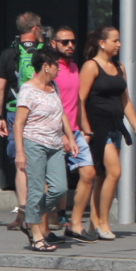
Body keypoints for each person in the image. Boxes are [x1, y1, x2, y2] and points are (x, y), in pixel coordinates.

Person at [78, 26, 136, 240]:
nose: (119, 44)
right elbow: (80, 99)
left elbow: (124, 100)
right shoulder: (91, 66)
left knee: (102, 175)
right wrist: (85, 126)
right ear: (102, 43)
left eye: (119, 40)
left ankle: (94, 222)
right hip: (98, 126)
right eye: (115, 40)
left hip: (115, 126)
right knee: (114, 172)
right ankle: (103, 222)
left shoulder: (119, 67)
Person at [12, 48, 77, 252]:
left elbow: (62, 114)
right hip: (34, 143)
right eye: (56, 65)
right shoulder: (28, 90)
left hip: (55, 144)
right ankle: (37, 235)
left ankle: (29, 219)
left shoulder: (54, 86)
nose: (59, 68)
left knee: (60, 188)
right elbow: (18, 123)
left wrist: (70, 137)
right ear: (45, 67)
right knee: (37, 189)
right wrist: (20, 152)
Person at [0, 11, 45, 233]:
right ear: (35, 29)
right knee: (41, 161)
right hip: (42, 113)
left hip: (16, 113)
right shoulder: (47, 53)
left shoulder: (8, 54)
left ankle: (22, 214)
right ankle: (43, 216)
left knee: (21, 164)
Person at [47, 26, 98, 242]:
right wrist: (61, 135)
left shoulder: (75, 68)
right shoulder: (50, 69)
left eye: (73, 42)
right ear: (54, 43)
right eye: (65, 42)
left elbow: (77, 101)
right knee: (50, 184)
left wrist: (85, 129)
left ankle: (75, 225)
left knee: (89, 174)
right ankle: (42, 227)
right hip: (54, 132)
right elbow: (49, 104)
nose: (70, 46)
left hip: (75, 132)